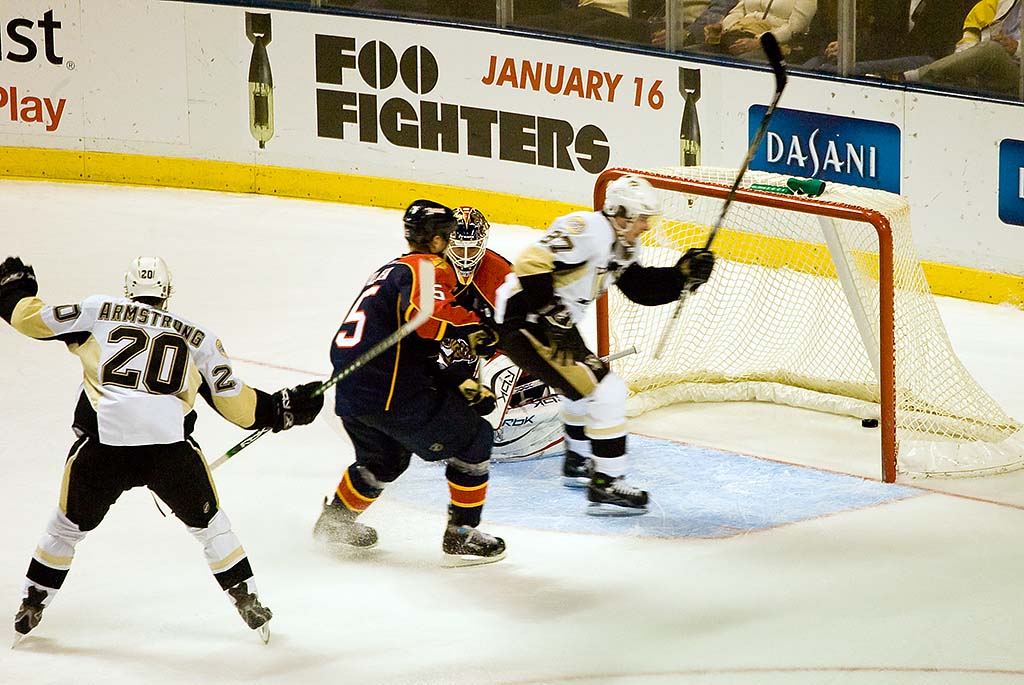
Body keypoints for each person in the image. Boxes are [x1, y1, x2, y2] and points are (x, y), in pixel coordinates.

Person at [0, 255, 323, 643]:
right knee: (211, 525)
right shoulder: (198, 337)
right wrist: (281, 408)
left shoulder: (98, 310)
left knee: (66, 525)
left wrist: (14, 290)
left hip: (104, 450)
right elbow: (238, 406)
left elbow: (28, 320)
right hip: (169, 454)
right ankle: (246, 596)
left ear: (128, 289)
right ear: (167, 293)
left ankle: (33, 600)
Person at [493, 174, 716, 515]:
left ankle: (579, 460)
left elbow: (640, 289)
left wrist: (682, 276)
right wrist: (553, 314)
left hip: (549, 322)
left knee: (580, 385)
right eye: (641, 218)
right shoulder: (587, 227)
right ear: (620, 212)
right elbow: (529, 263)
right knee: (608, 391)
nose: (645, 226)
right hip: (526, 321)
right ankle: (606, 483)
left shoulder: (623, 245)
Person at [313, 200, 506, 566]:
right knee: (475, 437)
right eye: (448, 237)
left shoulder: (390, 269)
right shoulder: (428, 267)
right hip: (391, 391)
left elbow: (410, 345)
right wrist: (470, 327)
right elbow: (427, 318)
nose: (450, 245)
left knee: (385, 460)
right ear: (435, 241)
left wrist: (453, 380)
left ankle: (334, 524)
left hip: (355, 391)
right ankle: (462, 534)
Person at [898, 0, 1021, 96]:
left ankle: (911, 77)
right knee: (923, 62)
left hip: (1017, 73)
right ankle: (885, 76)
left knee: (993, 50)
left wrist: (1017, 48)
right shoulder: (999, 2)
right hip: (985, 66)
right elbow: (970, 34)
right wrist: (964, 55)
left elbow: (992, 49)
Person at [702, 0, 817, 59]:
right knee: (698, 53)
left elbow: (795, 28)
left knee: (740, 63)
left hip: (776, 44)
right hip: (737, 33)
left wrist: (760, 42)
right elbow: (738, 11)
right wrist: (724, 27)